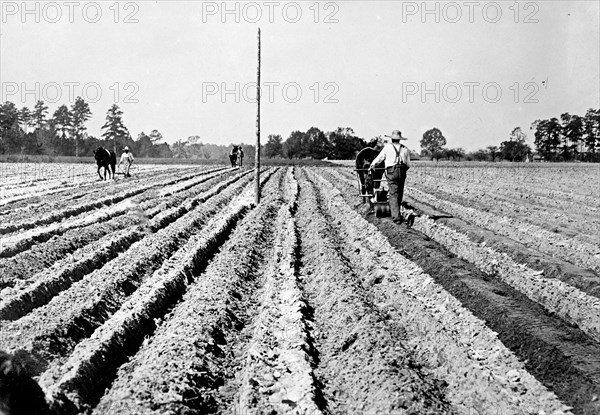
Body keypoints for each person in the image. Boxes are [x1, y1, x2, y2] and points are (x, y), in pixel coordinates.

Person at [369, 130, 410, 224]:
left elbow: (379, 158)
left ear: (392, 138)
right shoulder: (405, 149)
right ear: (400, 139)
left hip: (391, 171)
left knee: (393, 193)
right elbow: (408, 164)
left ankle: (396, 217)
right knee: (400, 192)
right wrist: (402, 170)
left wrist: (372, 165)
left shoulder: (387, 148)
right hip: (402, 171)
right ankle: (398, 212)